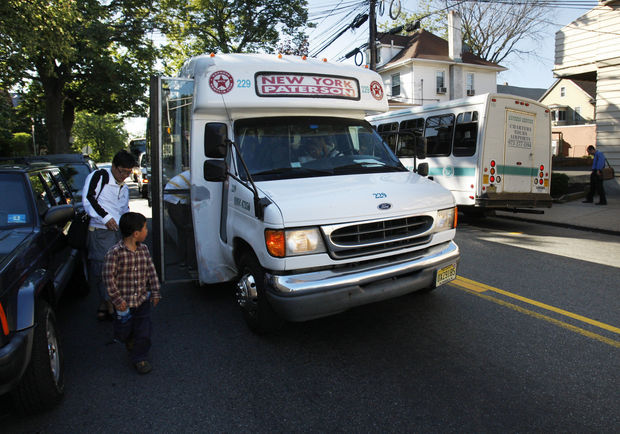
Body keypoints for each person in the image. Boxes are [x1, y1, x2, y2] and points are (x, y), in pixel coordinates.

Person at [102, 212, 161, 374]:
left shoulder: (144, 250)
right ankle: (129, 339)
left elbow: (151, 271)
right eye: (145, 228)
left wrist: (155, 291)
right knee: (124, 330)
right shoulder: (114, 253)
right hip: (124, 304)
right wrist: (116, 299)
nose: (147, 231)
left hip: (142, 300)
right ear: (136, 234)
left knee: (144, 330)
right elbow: (108, 278)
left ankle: (140, 358)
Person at [83, 150, 136, 320]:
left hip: (117, 232)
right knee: (103, 269)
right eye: (122, 171)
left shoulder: (124, 187)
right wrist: (105, 217)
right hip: (100, 231)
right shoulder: (99, 177)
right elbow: (88, 198)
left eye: (129, 172)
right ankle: (111, 306)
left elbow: (123, 209)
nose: (125, 176)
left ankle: (107, 302)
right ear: (114, 167)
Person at [163, 169, 196, 270]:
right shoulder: (197, 175)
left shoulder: (193, 171)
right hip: (174, 198)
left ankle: (185, 260)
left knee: (184, 232)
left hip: (176, 198)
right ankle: (189, 261)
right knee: (187, 231)